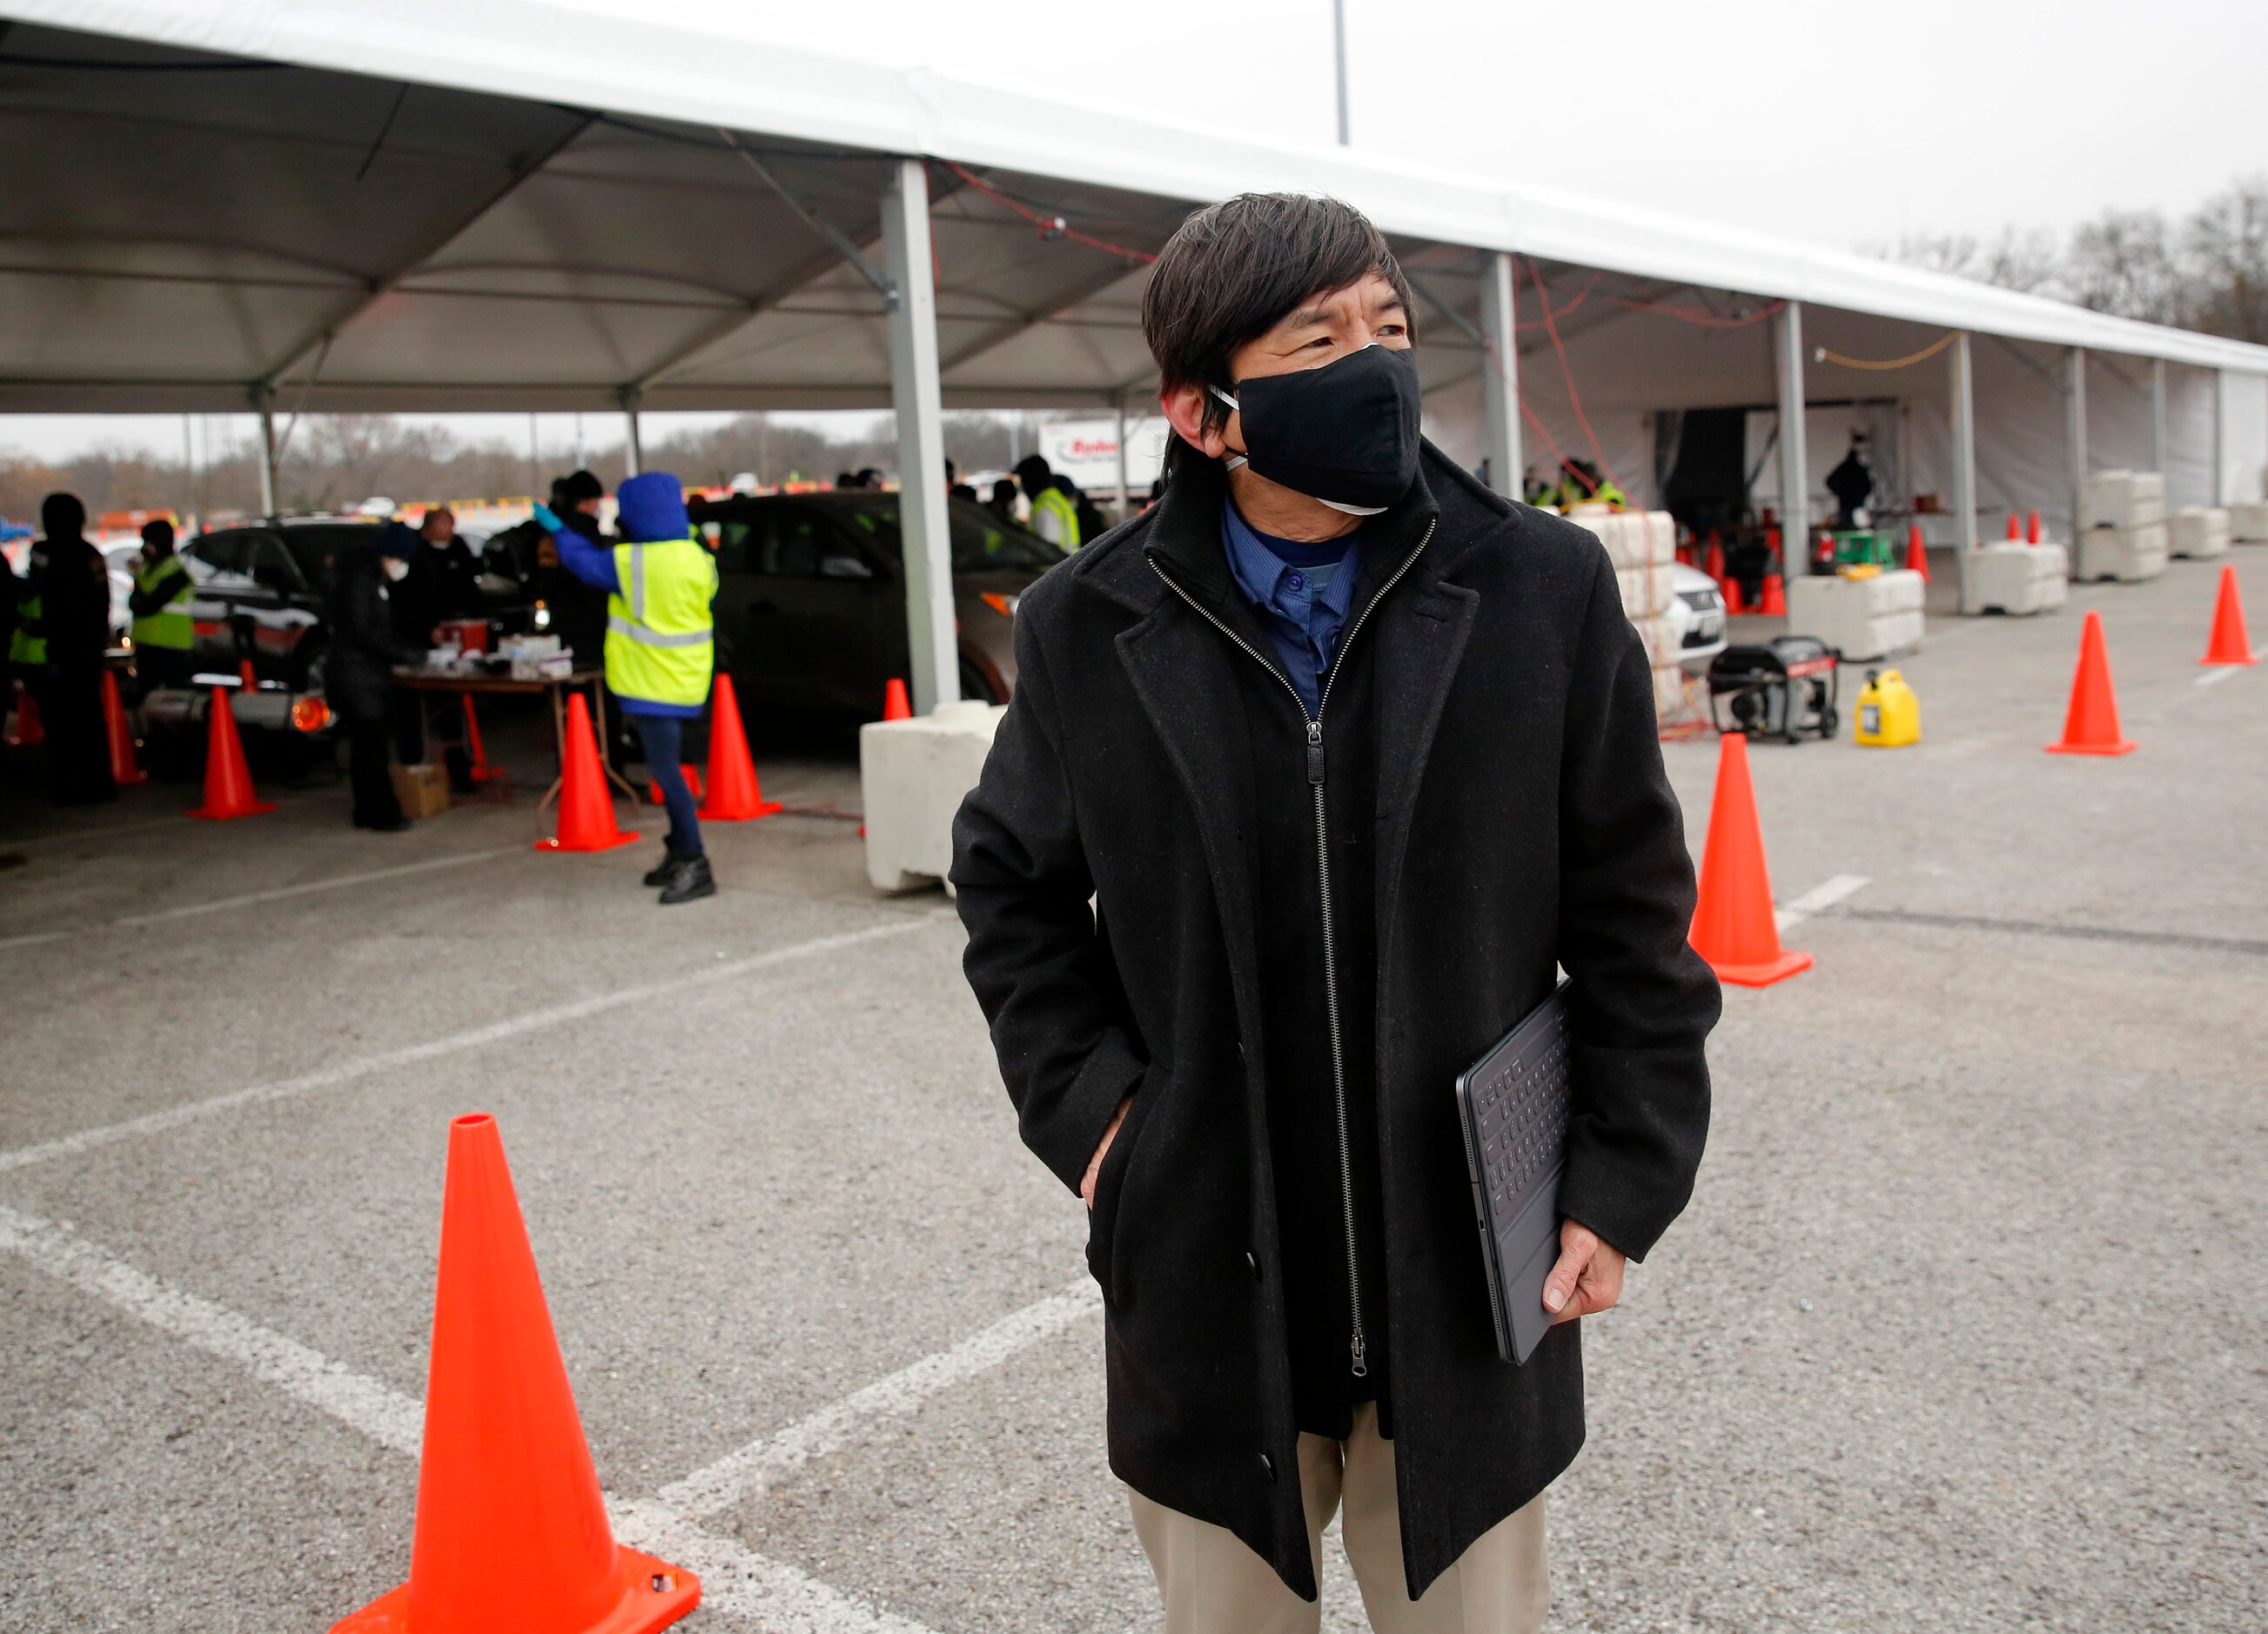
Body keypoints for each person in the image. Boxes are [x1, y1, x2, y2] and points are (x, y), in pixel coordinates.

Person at [952, 192, 1716, 1634]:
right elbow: (1010, 887)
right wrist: (1102, 1120)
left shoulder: (1535, 589)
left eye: (1389, 326)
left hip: (1471, 1278)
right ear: (1207, 414)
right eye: (1321, 338)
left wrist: (1623, 1173)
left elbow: (1632, 911)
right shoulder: (1085, 625)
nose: (1375, 363)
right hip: (1209, 1275)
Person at [534, 471, 718, 906]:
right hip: (686, 678)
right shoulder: (697, 557)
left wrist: (560, 530)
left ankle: (695, 860)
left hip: (650, 682)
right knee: (668, 768)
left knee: (667, 774)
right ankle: (678, 851)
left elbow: (583, 563)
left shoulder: (632, 562)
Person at [327, 524, 426, 831]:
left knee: (366, 748)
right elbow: (366, 631)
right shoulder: (361, 580)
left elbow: (376, 629)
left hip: (363, 673)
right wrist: (407, 654)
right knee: (372, 749)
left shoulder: (367, 577)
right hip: (359, 676)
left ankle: (367, 810)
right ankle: (382, 813)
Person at [391, 506, 484, 793]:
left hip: (454, 637)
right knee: (412, 711)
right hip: (417, 642)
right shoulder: (412, 558)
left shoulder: (459, 549)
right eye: (445, 524)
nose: (451, 530)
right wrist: (425, 628)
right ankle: (414, 774)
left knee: (450, 711)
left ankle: (461, 770)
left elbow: (471, 587)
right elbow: (406, 603)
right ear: (430, 526)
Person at [32, 493, 117, 804]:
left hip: (62, 647)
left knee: (61, 721)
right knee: (89, 716)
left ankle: (69, 784)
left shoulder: (48, 553)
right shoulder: (91, 554)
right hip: (89, 647)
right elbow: (101, 602)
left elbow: (43, 595)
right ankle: (98, 781)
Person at [127, 519, 197, 693]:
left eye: (147, 542)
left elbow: (146, 605)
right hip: (147, 645)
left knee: (171, 700)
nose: (144, 548)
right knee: (149, 698)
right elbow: (135, 602)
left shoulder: (176, 573)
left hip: (171, 647)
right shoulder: (147, 570)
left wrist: (139, 599)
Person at [1013, 452, 1081, 549]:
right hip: (1071, 562)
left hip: (1057, 564)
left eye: (1023, 480)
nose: (1022, 487)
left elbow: (1048, 550)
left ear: (1031, 480)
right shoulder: (1055, 499)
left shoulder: (1045, 508)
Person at [1825, 431, 1875, 530]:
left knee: (1846, 529)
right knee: (1860, 530)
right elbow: (1869, 487)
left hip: (1845, 504)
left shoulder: (1843, 468)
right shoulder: (1860, 470)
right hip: (1857, 504)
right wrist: (1861, 495)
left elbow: (1829, 481)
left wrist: (1839, 492)